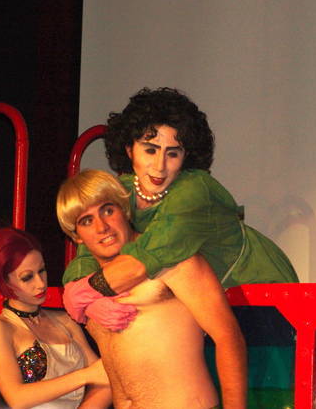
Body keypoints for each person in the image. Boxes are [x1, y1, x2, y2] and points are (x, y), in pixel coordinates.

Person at [62, 86, 299, 297]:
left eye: (173, 153)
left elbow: (141, 263)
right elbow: (86, 257)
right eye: (150, 150)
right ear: (129, 149)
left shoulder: (194, 191)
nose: (160, 166)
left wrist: (82, 295)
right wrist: (82, 293)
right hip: (201, 302)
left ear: (186, 156)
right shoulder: (119, 191)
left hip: (263, 296)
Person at [57, 169, 247, 408]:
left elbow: (229, 337)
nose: (102, 226)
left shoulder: (174, 261)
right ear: (76, 236)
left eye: (108, 210)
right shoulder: (88, 288)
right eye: (86, 221)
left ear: (124, 210)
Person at [0, 227, 112, 409]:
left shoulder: (65, 320)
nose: (40, 284)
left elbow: (105, 379)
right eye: (27, 278)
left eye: (42, 270)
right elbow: (17, 398)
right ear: (4, 282)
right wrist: (85, 376)